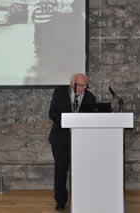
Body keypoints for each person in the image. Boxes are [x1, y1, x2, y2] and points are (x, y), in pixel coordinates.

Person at [49, 73, 96, 211]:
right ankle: (61, 202)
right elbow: (52, 113)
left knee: (82, 171)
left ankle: (83, 200)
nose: (81, 88)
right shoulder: (60, 92)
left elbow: (93, 118)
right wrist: (67, 121)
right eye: (79, 85)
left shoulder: (90, 97)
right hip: (60, 138)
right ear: (71, 83)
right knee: (61, 170)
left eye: (84, 85)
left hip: (82, 140)